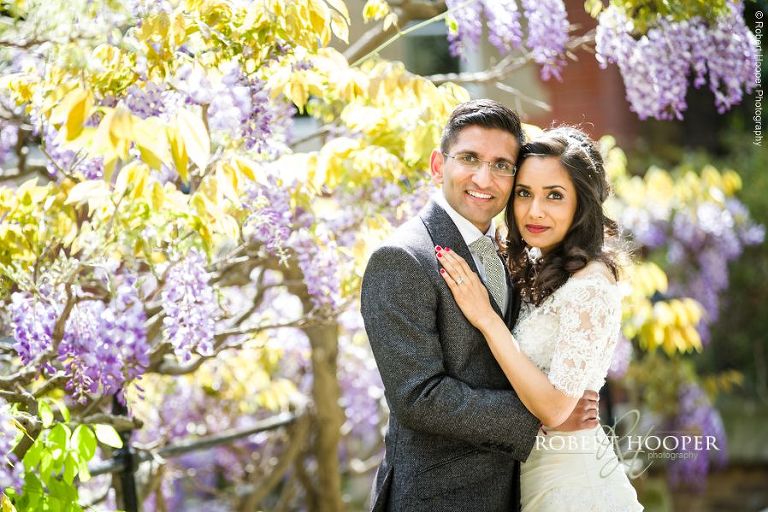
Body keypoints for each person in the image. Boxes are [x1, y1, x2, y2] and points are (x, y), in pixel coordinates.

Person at [361, 101, 600, 512]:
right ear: (439, 165)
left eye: (502, 165)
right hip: (440, 498)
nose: (484, 178)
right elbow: (419, 396)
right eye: (469, 158)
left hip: (519, 489)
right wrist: (542, 419)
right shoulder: (402, 258)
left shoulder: (510, 250)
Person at [437, 126, 644, 511]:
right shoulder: (540, 265)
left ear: (581, 204)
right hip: (532, 475)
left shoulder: (591, 286)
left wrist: (486, 317)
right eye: (524, 193)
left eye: (554, 196)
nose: (535, 211)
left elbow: (553, 408)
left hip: (573, 483)